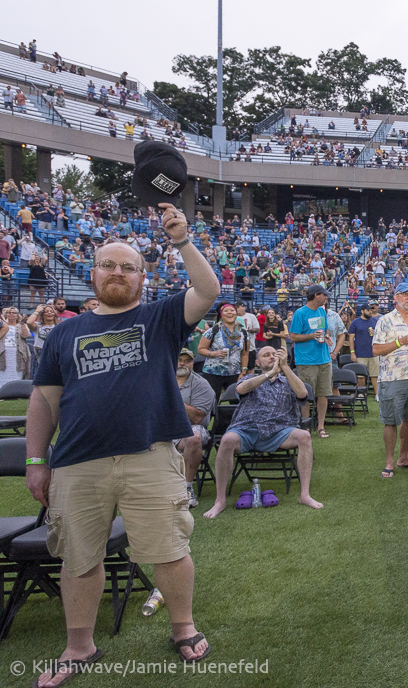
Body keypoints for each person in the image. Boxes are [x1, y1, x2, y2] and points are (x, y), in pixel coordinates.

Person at [25, 203, 221, 685]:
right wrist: (35, 459)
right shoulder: (64, 333)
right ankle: (78, 645)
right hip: (75, 463)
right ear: (92, 275)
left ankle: (183, 626)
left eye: (128, 267)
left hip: (149, 455)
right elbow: (43, 402)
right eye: (108, 265)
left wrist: (180, 238)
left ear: (141, 277)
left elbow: (209, 290)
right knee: (79, 556)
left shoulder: (160, 318)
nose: (117, 273)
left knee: (170, 549)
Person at [202, 347, 322, 518]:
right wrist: (269, 374)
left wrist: (285, 367)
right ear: (258, 363)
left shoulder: (289, 380)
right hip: (247, 429)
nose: (272, 357)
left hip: (280, 431)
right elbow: (241, 390)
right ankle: (219, 501)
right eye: (266, 355)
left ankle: (305, 495)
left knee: (304, 436)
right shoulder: (250, 378)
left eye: (274, 354)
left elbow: (303, 393)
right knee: (227, 440)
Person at [373, 284, 408, 476]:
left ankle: (403, 458)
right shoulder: (385, 320)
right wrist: (400, 341)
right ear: (396, 297)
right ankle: (389, 462)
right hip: (392, 377)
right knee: (390, 421)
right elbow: (376, 350)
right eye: (405, 294)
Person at [173, 348, 216, 508]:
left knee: (194, 437)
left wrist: (173, 398)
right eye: (178, 360)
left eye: (186, 360)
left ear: (192, 364)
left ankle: (187, 489)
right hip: (164, 428)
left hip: (191, 427)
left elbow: (198, 417)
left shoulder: (201, 384)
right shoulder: (160, 380)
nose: (181, 363)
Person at [290, 284, 335, 438]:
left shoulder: (322, 311)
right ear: (316, 295)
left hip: (324, 359)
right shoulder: (300, 313)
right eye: (324, 295)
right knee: (306, 395)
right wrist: (312, 335)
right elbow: (294, 337)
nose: (326, 298)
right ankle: (306, 426)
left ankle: (321, 427)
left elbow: (326, 329)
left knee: (323, 394)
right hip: (306, 361)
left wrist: (327, 335)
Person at [198, 303, 250, 397]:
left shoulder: (244, 333)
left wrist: (243, 370)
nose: (229, 313)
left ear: (236, 313)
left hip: (234, 373)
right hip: (212, 372)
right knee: (211, 401)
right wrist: (214, 353)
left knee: (235, 401)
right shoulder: (213, 331)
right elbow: (201, 349)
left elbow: (244, 354)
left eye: (232, 310)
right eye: (226, 311)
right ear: (221, 314)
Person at [348, 304, 380, 400]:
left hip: (374, 352)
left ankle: (377, 394)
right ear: (362, 311)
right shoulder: (355, 322)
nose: (370, 312)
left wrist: (376, 334)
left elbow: (381, 336)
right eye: (368, 310)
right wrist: (352, 352)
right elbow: (351, 338)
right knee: (361, 376)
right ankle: (361, 393)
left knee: (375, 375)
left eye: (371, 310)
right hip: (360, 353)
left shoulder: (375, 321)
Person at [0, 306, 31, 388]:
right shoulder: (2, 325)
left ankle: (15, 390)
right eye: (9, 312)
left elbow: (25, 336)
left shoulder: (20, 325)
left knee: (17, 370)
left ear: (17, 315)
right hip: (3, 351)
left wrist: (22, 324)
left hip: (18, 352)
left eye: (14, 313)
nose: (11, 314)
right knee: (2, 371)